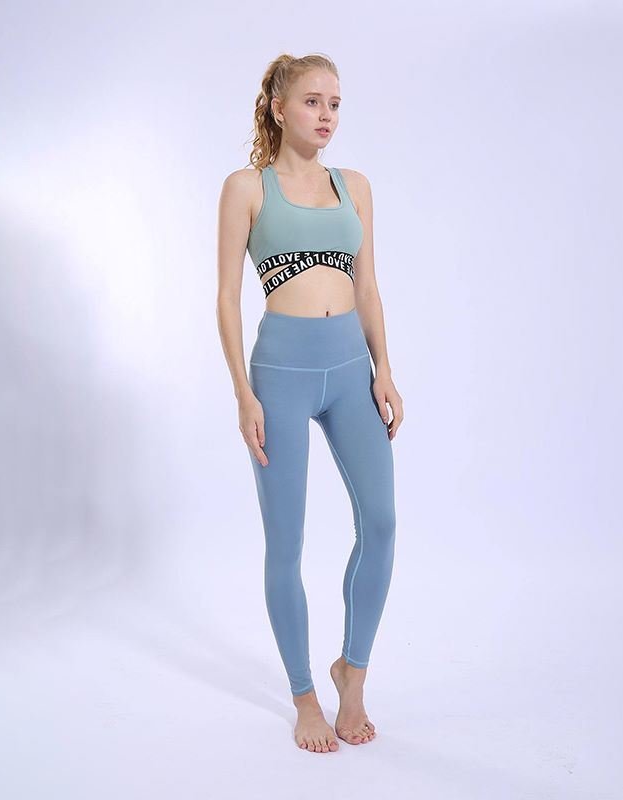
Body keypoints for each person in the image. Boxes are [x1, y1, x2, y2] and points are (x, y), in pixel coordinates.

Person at [216, 53, 404, 753]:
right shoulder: (247, 188)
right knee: (286, 544)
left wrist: (384, 370)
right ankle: (303, 697)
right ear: (279, 108)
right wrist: (243, 393)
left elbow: (368, 286)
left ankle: (352, 672)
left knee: (381, 523)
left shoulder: (355, 186)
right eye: (312, 101)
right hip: (281, 377)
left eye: (335, 103)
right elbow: (226, 299)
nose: (326, 115)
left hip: (351, 370)